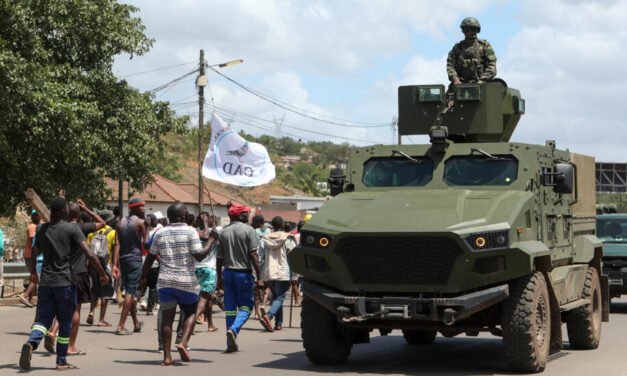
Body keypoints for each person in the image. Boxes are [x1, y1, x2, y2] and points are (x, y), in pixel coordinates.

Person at [19, 197, 108, 371]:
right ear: (62, 211)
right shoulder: (72, 229)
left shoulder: (42, 229)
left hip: (46, 282)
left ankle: (31, 343)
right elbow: (90, 254)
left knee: (43, 320)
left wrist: (33, 274)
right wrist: (103, 274)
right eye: (65, 207)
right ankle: (61, 360)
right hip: (64, 282)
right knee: (65, 321)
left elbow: (34, 252)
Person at [140, 202, 218, 366]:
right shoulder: (190, 231)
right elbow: (199, 256)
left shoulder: (160, 233)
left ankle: (167, 356)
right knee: (190, 313)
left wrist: (142, 277)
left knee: (167, 319)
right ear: (183, 215)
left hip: (165, 281)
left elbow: (150, 257)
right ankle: (182, 342)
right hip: (186, 281)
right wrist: (211, 241)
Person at [216, 204, 264, 353]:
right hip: (243, 274)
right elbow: (253, 255)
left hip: (228, 274)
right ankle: (234, 329)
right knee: (246, 307)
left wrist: (219, 279)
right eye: (245, 213)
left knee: (230, 309)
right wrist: (260, 277)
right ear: (239, 215)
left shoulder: (223, 232)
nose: (247, 216)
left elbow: (219, 259)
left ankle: (230, 343)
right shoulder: (249, 230)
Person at [112, 197, 148, 335]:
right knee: (130, 292)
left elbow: (117, 244)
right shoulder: (140, 222)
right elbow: (146, 244)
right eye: (141, 206)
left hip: (123, 260)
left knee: (129, 290)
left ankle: (136, 323)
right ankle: (121, 326)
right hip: (135, 260)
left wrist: (115, 264)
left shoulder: (120, 222)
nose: (143, 208)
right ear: (133, 208)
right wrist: (148, 227)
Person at [259, 216, 297, 332]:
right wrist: (295, 275)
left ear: (272, 225)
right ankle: (269, 316)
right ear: (282, 224)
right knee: (280, 297)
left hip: (269, 271)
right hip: (283, 272)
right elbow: (293, 258)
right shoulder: (288, 238)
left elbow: (261, 257)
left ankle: (278, 323)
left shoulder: (265, 238)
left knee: (276, 297)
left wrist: (260, 274)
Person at [86, 210, 117, 327]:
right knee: (106, 292)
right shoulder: (113, 232)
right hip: (105, 265)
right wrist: (115, 266)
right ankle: (101, 319)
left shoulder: (91, 233)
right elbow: (114, 251)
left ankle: (91, 312)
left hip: (93, 265)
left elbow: (88, 251)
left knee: (94, 290)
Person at [446, 17, 497, 85]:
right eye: (467, 30)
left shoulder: (484, 45)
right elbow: (450, 65)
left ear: (477, 30)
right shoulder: (457, 47)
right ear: (463, 31)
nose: (469, 32)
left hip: (482, 86)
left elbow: (491, 66)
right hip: (460, 86)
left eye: (472, 29)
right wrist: (455, 79)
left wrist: (481, 81)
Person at [195, 212, 219, 332]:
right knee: (203, 298)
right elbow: (205, 237)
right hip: (208, 269)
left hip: (197, 269)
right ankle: (192, 320)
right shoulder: (207, 232)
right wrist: (206, 223)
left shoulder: (195, 231)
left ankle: (210, 324)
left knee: (208, 296)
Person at [19, 210, 40, 308]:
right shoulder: (32, 227)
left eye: (38, 215)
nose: (37, 217)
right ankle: (24, 296)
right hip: (31, 254)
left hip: (32, 254)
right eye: (35, 215)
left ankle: (30, 300)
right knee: (34, 276)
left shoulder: (35, 226)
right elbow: (33, 241)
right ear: (32, 216)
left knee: (33, 276)